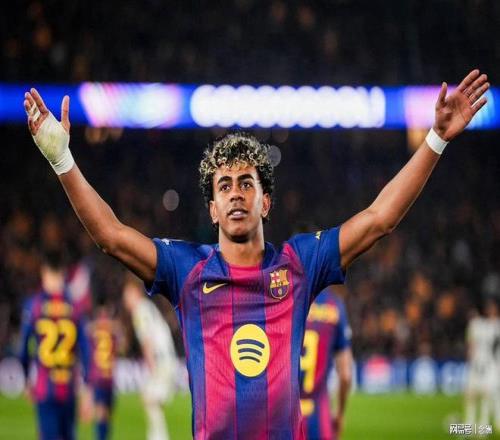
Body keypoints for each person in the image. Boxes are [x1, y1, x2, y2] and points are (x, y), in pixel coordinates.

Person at [24, 69, 489, 439]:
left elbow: (378, 219)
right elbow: (110, 235)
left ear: (265, 202)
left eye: (247, 183)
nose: (236, 193)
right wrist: (62, 160)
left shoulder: (300, 263)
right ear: (212, 209)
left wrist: (435, 139)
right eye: (224, 186)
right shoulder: (187, 269)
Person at [19, 250, 90, 440]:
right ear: (63, 274)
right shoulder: (75, 307)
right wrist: (87, 388)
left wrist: (26, 378)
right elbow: (86, 349)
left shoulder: (34, 305)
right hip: (68, 388)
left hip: (45, 388)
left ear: (44, 273)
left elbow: (24, 347)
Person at [123, 274, 177, 440]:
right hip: (167, 358)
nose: (125, 299)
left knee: (149, 398)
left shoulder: (140, 310)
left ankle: (159, 437)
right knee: (151, 399)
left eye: (127, 294)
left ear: (134, 293)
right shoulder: (147, 307)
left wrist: (152, 367)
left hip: (161, 361)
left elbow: (147, 340)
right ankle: (158, 435)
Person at [300, 287, 352, 440]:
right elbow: (345, 376)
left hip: (284, 415)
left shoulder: (288, 301)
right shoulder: (334, 306)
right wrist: (340, 414)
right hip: (318, 417)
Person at [85, 302, 121, 440]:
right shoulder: (110, 330)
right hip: (101, 377)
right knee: (102, 413)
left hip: (106, 378)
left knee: (105, 414)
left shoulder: (95, 331)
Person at [464, 298, 500, 428]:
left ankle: (484, 425)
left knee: (488, 394)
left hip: (490, 365)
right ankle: (469, 425)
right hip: (476, 364)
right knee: (471, 394)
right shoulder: (477, 325)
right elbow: (471, 345)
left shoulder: (493, 326)